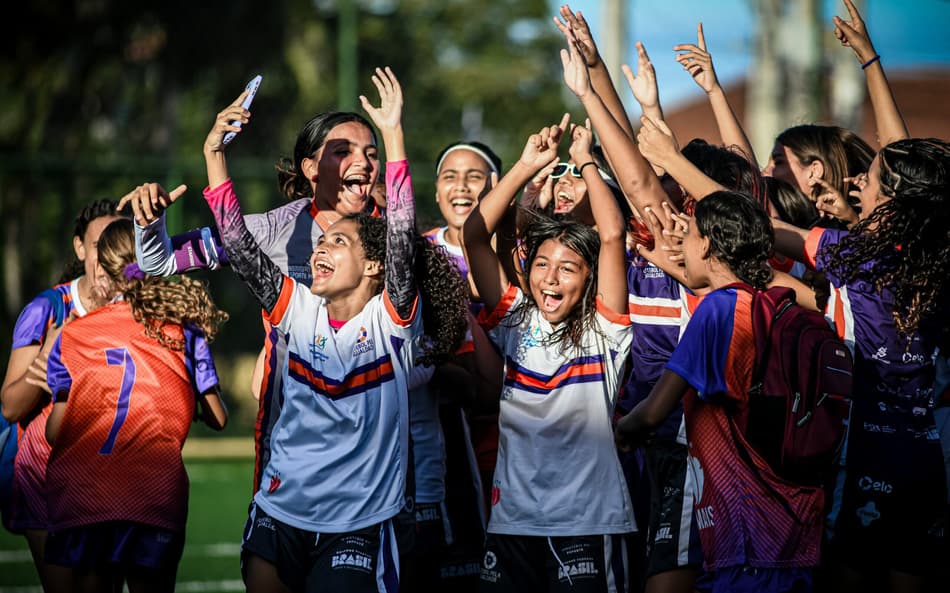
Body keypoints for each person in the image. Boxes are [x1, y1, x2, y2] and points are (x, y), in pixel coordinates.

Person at [200, 66, 467, 592]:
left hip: (359, 523)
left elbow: (400, 231)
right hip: (281, 510)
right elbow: (235, 240)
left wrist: (392, 135)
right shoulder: (294, 308)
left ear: (374, 266)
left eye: (339, 243)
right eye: (322, 243)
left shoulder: (393, 323)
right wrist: (214, 153)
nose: (320, 247)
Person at [125, 93, 386, 495]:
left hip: (375, 437)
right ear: (311, 168)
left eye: (371, 152)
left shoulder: (393, 234)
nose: (364, 162)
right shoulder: (272, 230)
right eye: (343, 151)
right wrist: (148, 225)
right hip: (292, 431)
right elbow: (158, 262)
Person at [465, 73, 635, 593]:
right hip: (514, 523)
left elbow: (611, 233)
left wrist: (586, 160)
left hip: (590, 523)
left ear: (589, 279)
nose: (551, 277)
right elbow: (475, 236)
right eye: (542, 264)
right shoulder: (517, 319)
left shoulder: (605, 330)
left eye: (567, 267)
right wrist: (526, 165)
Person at [617, 191, 824, 593]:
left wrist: (622, 429)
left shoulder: (717, 310)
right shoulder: (774, 304)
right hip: (794, 519)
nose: (683, 247)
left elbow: (655, 410)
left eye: (689, 235)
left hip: (743, 528)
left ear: (708, 244)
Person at [773, 138, 950, 593]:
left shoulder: (852, 256)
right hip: (929, 463)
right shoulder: (937, 263)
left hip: (864, 455)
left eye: (867, 179)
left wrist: (671, 162)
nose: (856, 183)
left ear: (891, 201)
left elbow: (760, 228)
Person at [40, 217, 228, 593]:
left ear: (104, 273)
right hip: (154, 494)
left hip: (86, 495)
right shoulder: (180, 327)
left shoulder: (73, 335)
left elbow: (54, 430)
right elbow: (218, 417)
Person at [0, 199, 122, 590]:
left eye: (118, 244)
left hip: (104, 477)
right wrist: (50, 355)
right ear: (80, 249)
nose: (107, 257)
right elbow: (11, 405)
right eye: (99, 244)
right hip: (42, 479)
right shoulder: (48, 309)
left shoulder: (131, 311)